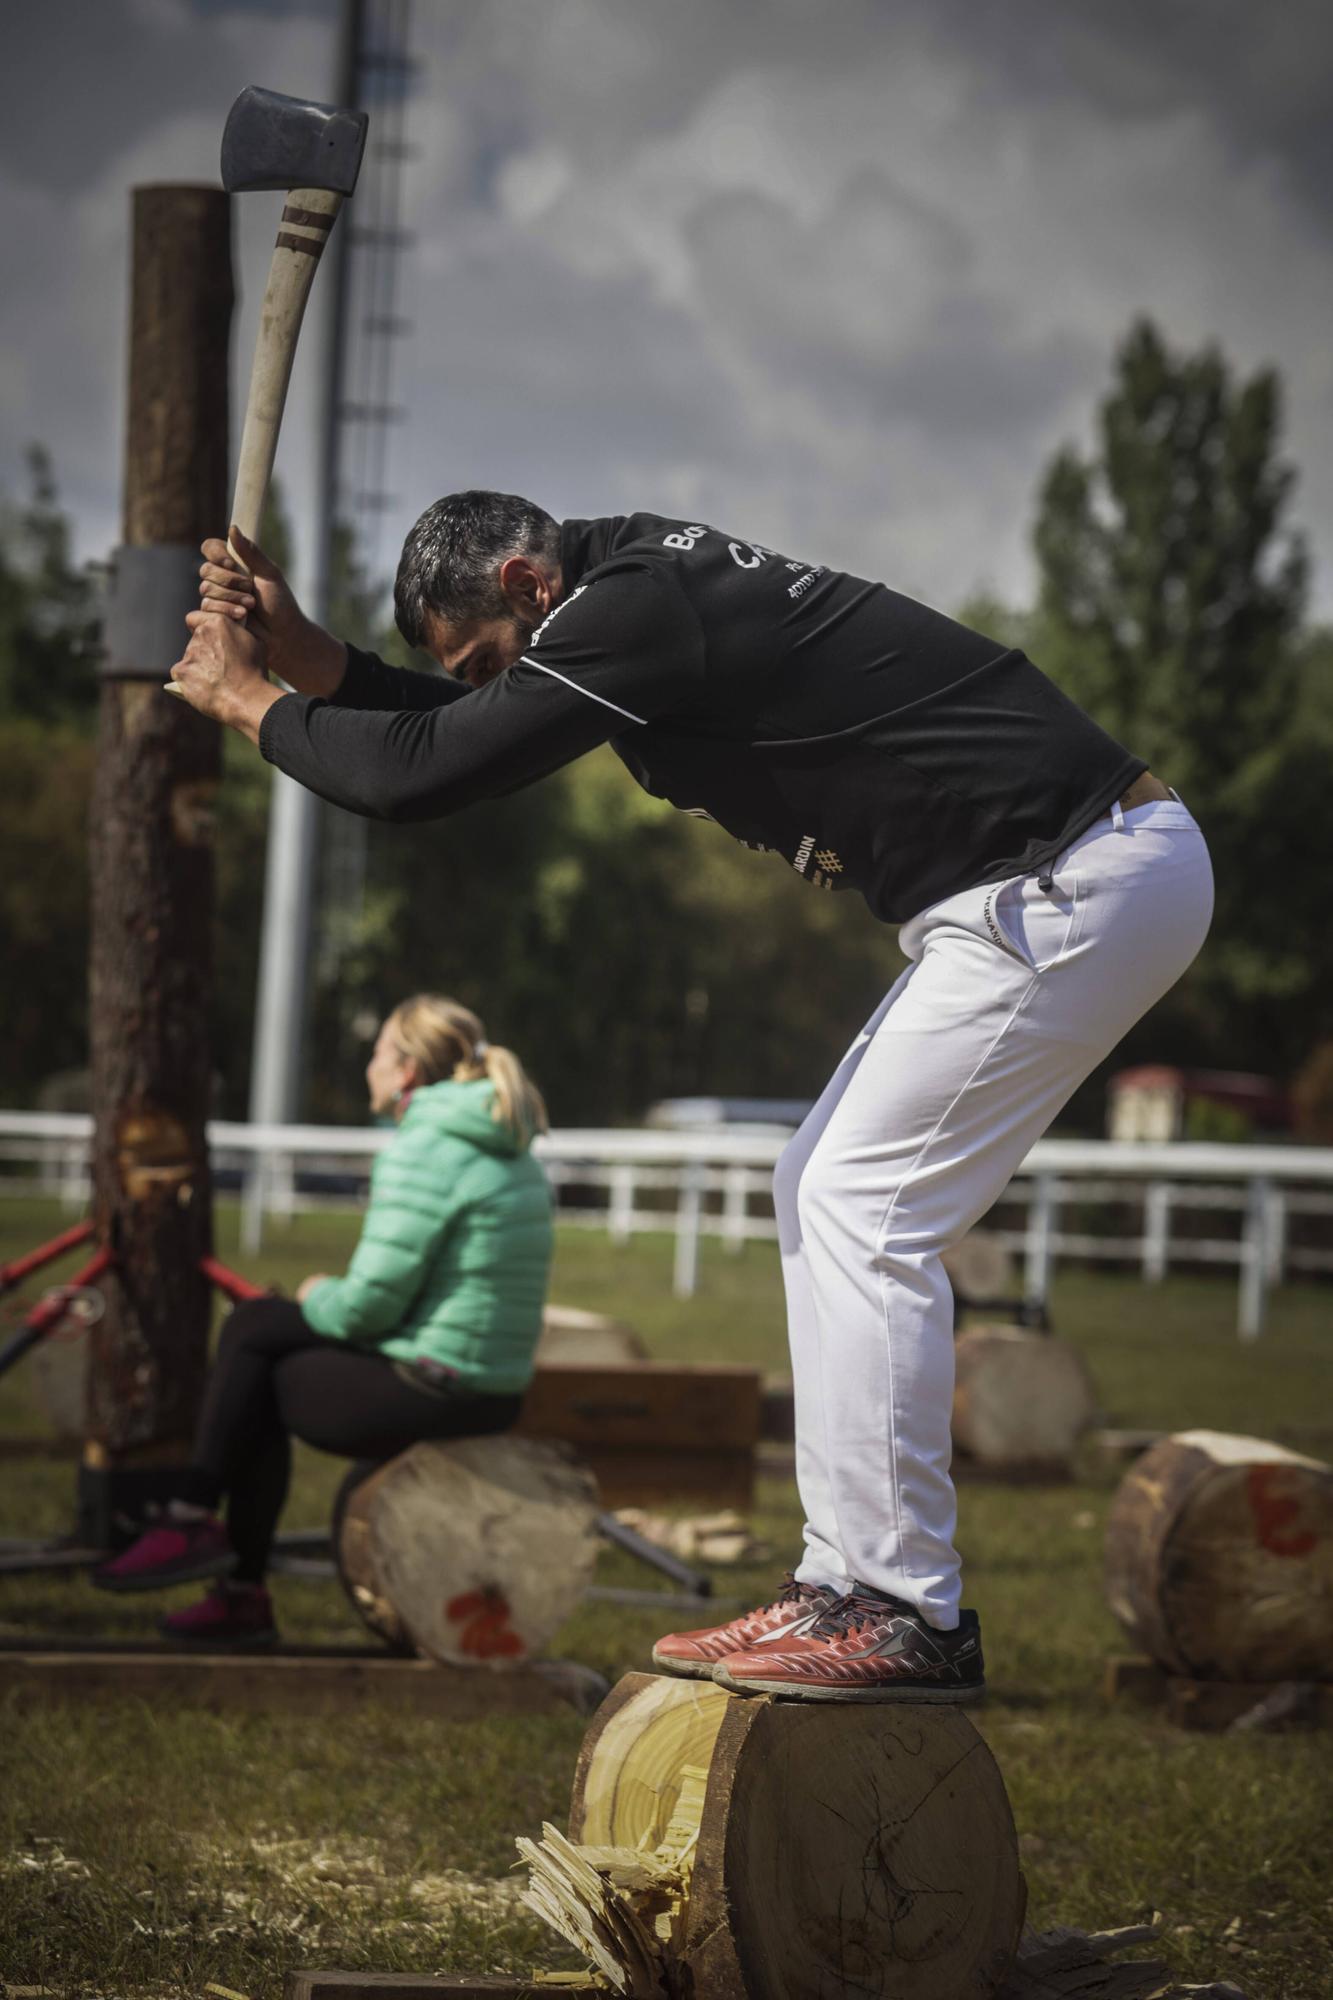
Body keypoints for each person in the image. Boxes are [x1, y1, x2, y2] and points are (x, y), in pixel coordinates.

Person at [167, 494, 1213, 1699]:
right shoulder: (614, 599)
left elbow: (429, 776)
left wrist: (249, 701)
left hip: (1072, 870)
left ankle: (903, 1606)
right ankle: (843, 1581)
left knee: (864, 1208)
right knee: (810, 1186)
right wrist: (307, 661)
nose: (494, 680)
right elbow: (470, 725)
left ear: (523, 584)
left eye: (491, 652)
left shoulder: (634, 610)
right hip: (1030, 886)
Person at [95, 994, 554, 1648]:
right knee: (257, 1333)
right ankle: (213, 1550)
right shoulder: (507, 1143)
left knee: (258, 1351)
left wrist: (314, 1295)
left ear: (405, 1072)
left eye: (377, 1053)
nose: (368, 1066)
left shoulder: (427, 1144)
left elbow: (371, 1306)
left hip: (440, 1385)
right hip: (490, 1388)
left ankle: (212, 1549)